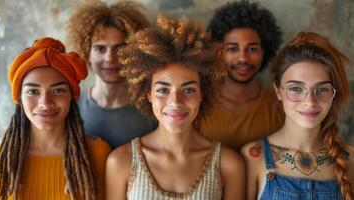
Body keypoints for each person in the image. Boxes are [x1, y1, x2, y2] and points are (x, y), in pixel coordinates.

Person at [105, 15, 245, 200]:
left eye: (188, 89)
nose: (176, 102)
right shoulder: (121, 161)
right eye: (163, 90)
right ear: (148, 94)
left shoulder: (228, 164)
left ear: (203, 93)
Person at [241, 32, 354, 200]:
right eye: (296, 88)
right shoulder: (253, 156)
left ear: (333, 94)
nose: (310, 101)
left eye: (322, 89)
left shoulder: (350, 159)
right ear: (278, 91)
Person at [0, 37, 110, 200]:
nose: (45, 103)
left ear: (72, 96)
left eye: (57, 91)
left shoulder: (98, 153)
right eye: (33, 92)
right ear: (19, 98)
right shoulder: (0, 156)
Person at [67, 1, 157, 149]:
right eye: (100, 49)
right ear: (86, 53)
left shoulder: (152, 110)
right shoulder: (71, 108)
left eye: (119, 48)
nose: (110, 58)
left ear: (134, 53)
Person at [199, 1, 284, 150]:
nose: (243, 58)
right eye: (232, 49)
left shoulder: (280, 105)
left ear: (264, 52)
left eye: (252, 49)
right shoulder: (200, 103)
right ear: (219, 52)